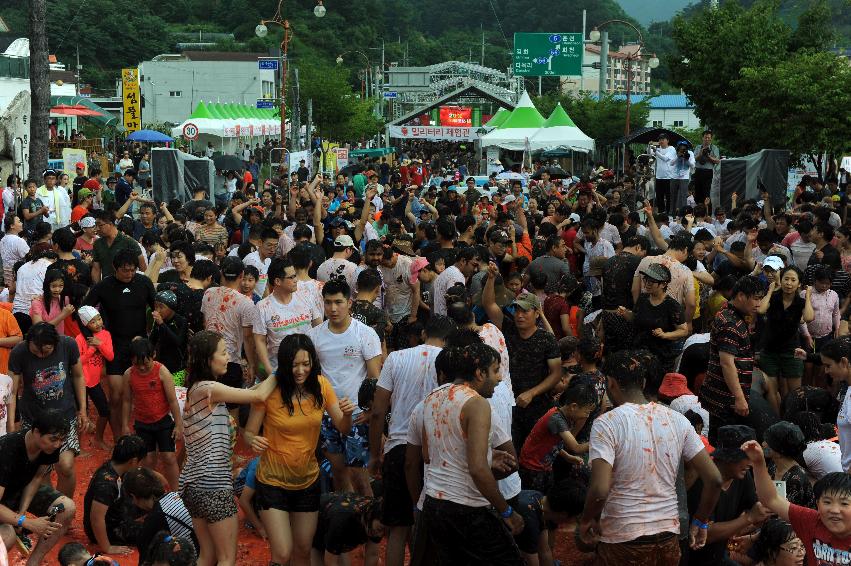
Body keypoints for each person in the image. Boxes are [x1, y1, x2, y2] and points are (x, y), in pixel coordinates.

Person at [579, 349, 723, 565]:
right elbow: (715, 479)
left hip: (623, 541)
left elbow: (599, 490)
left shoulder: (606, 423)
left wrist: (586, 520)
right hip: (668, 539)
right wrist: (700, 522)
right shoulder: (678, 420)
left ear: (610, 384)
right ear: (644, 382)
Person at [244, 334, 356, 566]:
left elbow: (343, 428)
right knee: (283, 553)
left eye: (306, 364)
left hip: (307, 481)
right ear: (284, 364)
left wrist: (347, 414)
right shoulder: (269, 391)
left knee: (303, 551)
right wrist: (253, 440)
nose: (301, 370)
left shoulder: (322, 386)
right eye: (294, 365)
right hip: (272, 481)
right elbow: (248, 433)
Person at [179, 331, 278, 566]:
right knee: (225, 559)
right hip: (213, 485)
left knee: (208, 556)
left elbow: (255, 391)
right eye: (223, 353)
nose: (227, 357)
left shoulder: (198, 389)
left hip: (193, 484)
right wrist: (281, 367)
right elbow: (259, 395)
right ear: (208, 359)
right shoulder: (209, 388)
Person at [421, 342, 525, 565]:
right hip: (467, 509)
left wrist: (488, 456)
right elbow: (477, 468)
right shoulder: (476, 403)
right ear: (480, 373)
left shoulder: (432, 398)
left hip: (434, 505)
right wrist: (506, 511)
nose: (499, 378)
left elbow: (428, 454)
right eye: (495, 370)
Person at [368, 316, 455, 566]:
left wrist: (375, 454)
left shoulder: (396, 358)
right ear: (449, 340)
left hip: (398, 447)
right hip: (434, 453)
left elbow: (377, 411)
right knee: (428, 525)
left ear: (425, 332)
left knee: (397, 527)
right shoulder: (449, 364)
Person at [307, 280, 382, 496]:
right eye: (328, 302)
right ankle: (346, 519)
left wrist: (370, 412)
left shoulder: (365, 334)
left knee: (360, 477)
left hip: (357, 415)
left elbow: (374, 379)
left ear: (349, 303)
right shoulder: (314, 336)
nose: (332, 308)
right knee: (338, 473)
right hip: (327, 414)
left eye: (338, 302)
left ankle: (368, 521)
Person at [482, 263, 561, 452]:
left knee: (535, 452)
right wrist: (492, 279)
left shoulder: (546, 339)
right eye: (517, 310)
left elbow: (556, 374)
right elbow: (488, 304)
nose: (519, 315)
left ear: (536, 313)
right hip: (511, 405)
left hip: (537, 407)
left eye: (525, 311)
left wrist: (532, 393)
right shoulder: (508, 328)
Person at [8, 323, 87, 498]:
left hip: (64, 416)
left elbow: (79, 376)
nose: (41, 355)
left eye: (47, 351)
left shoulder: (68, 344)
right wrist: (12, 424)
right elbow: (12, 391)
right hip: (33, 419)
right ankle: (50, 511)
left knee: (66, 466)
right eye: (36, 351)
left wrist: (83, 410)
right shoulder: (19, 352)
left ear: (56, 343)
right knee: (40, 471)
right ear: (29, 342)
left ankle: (65, 507)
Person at [84, 249, 156, 437]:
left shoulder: (144, 283)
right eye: (125, 270)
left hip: (139, 345)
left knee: (142, 392)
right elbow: (83, 311)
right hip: (114, 346)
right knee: (116, 395)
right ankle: (119, 437)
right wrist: (93, 341)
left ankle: (142, 432)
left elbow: (158, 310)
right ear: (115, 268)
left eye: (133, 270)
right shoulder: (104, 286)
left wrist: (151, 338)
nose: (130, 274)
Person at [743, 440, 851, 566]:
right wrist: (758, 463)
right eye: (827, 502)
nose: (834, 510)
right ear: (817, 503)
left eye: (844, 504)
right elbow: (770, 499)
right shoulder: (811, 521)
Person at [685, 424, 771, 565]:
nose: (750, 463)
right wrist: (749, 518)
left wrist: (763, 512)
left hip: (719, 557)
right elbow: (706, 533)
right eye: (745, 457)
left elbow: (755, 508)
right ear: (727, 458)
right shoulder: (702, 482)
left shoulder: (742, 477)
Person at [0, 409, 77, 566]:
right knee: (7, 537)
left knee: (67, 508)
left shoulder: (48, 446)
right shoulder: (7, 449)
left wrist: (21, 513)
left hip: (17, 491)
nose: (57, 445)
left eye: (62, 440)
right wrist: (26, 522)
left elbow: (35, 478)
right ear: (35, 432)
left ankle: (33, 563)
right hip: (3, 496)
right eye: (53, 439)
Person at [699, 275, 763, 445]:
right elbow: (727, 363)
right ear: (741, 296)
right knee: (726, 447)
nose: (759, 304)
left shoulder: (729, 312)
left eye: (760, 299)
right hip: (726, 400)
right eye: (755, 299)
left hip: (722, 396)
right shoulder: (730, 323)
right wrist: (739, 398)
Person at [518, 381, 597, 493]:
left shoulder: (565, 417)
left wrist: (567, 457)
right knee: (535, 498)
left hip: (544, 465)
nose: (587, 416)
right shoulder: (556, 419)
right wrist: (602, 440)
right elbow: (576, 447)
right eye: (586, 411)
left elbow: (552, 444)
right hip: (532, 468)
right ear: (574, 406)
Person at [126, 338, 183, 492]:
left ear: (154, 355)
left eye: (146, 363)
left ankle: (176, 493)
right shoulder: (129, 375)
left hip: (163, 420)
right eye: (137, 364)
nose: (142, 368)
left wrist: (178, 424)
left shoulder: (162, 371)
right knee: (148, 460)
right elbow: (126, 401)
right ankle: (151, 492)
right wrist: (125, 424)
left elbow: (172, 400)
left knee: (169, 458)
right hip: (142, 423)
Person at [757, 265, 814, 415]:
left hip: (792, 350)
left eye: (793, 280)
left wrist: (807, 295)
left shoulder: (800, 302)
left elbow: (808, 317)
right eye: (786, 279)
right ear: (780, 280)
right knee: (772, 390)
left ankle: (794, 419)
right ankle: (778, 419)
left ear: (799, 283)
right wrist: (770, 290)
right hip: (769, 350)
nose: (789, 283)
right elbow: (761, 309)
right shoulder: (773, 297)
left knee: (795, 391)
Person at [617, 263, 688, 380]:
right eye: (646, 280)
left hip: (660, 357)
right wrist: (626, 313)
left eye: (652, 281)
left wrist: (665, 335)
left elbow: (683, 330)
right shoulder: (643, 298)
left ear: (664, 284)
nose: (647, 284)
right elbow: (635, 318)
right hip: (639, 353)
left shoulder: (672, 305)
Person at [254, 257, 323, 377]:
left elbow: (319, 327)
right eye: (291, 277)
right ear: (277, 281)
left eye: (295, 275)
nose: (296, 280)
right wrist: (269, 369)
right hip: (279, 370)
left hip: (307, 368)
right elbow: (259, 340)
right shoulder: (263, 307)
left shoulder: (306, 298)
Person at [82, 434, 147, 555]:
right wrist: (107, 547)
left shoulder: (112, 466)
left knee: (150, 505)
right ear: (133, 461)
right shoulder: (107, 484)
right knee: (154, 529)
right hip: (108, 530)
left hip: (116, 514)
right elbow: (96, 519)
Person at [75, 306, 113, 450]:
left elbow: (110, 356)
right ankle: (78, 447)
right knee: (81, 413)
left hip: (94, 382)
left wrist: (99, 344)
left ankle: (98, 439)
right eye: (93, 322)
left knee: (105, 410)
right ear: (85, 324)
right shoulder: (79, 339)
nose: (98, 323)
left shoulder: (106, 335)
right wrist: (91, 350)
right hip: (81, 382)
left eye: (99, 319)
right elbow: (77, 362)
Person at [310, 493, 384, 566]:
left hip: (337, 530)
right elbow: (330, 563)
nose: (379, 535)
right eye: (379, 529)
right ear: (370, 516)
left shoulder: (377, 519)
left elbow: (372, 554)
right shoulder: (341, 523)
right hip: (315, 529)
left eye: (385, 532)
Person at [764, 421, 815, 508]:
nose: (763, 444)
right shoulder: (773, 465)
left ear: (778, 452)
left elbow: (788, 514)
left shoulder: (795, 480)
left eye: (768, 443)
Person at [91, 209, 146, 282]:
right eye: (96, 225)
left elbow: (143, 268)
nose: (97, 229)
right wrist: (97, 288)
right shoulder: (98, 244)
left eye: (100, 225)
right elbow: (96, 269)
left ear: (110, 224)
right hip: (108, 285)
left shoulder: (129, 242)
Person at [29, 269, 74, 336]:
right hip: (43, 342)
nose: (57, 289)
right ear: (47, 285)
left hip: (59, 341)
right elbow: (40, 329)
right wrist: (63, 315)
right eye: (53, 286)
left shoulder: (64, 299)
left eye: (61, 286)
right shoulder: (37, 302)